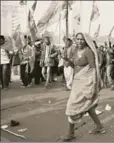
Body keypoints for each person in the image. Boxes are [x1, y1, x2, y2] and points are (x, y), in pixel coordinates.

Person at [61, 33, 105, 141]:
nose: (80, 41)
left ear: (85, 41)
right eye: (78, 39)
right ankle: (99, 126)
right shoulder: (76, 51)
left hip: (86, 83)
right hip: (77, 82)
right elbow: (75, 65)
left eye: (82, 39)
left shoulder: (88, 51)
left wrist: (94, 85)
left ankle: (70, 133)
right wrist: (67, 61)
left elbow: (93, 69)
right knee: (88, 107)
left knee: (72, 106)